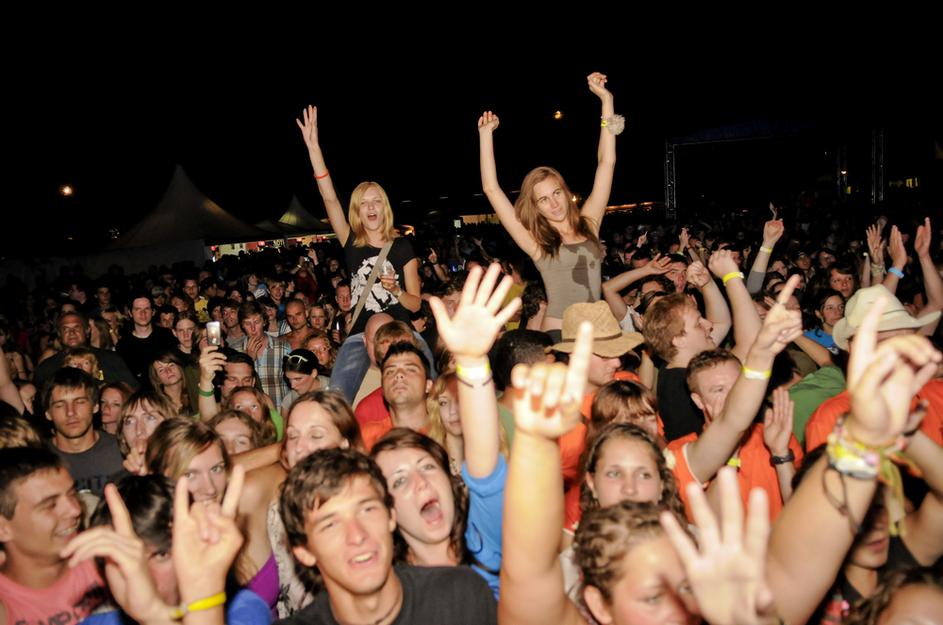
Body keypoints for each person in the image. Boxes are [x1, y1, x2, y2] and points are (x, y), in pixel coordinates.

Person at [278, 449, 497, 625]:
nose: (357, 535)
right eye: (330, 525)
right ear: (304, 552)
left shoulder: (462, 598)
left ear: (391, 516)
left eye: (367, 510)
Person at [477, 72, 617, 338]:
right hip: (559, 331)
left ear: (565, 192)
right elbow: (491, 189)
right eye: (543, 199)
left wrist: (606, 101)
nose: (554, 203)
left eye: (556, 193)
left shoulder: (589, 224)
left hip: (598, 327)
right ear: (536, 207)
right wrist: (485, 136)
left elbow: (606, 162)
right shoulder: (537, 242)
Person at [297, 105, 422, 402]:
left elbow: (416, 303)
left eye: (376, 201)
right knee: (338, 396)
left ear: (384, 207)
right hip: (360, 333)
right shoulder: (351, 241)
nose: (370, 207)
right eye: (364, 203)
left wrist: (396, 290)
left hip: (400, 330)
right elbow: (329, 197)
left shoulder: (402, 247)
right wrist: (314, 149)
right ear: (357, 210)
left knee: (428, 383)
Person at [0, 447, 107, 624]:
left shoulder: (107, 560)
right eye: (50, 505)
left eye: (72, 494)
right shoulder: (6, 606)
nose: (74, 510)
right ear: (3, 528)